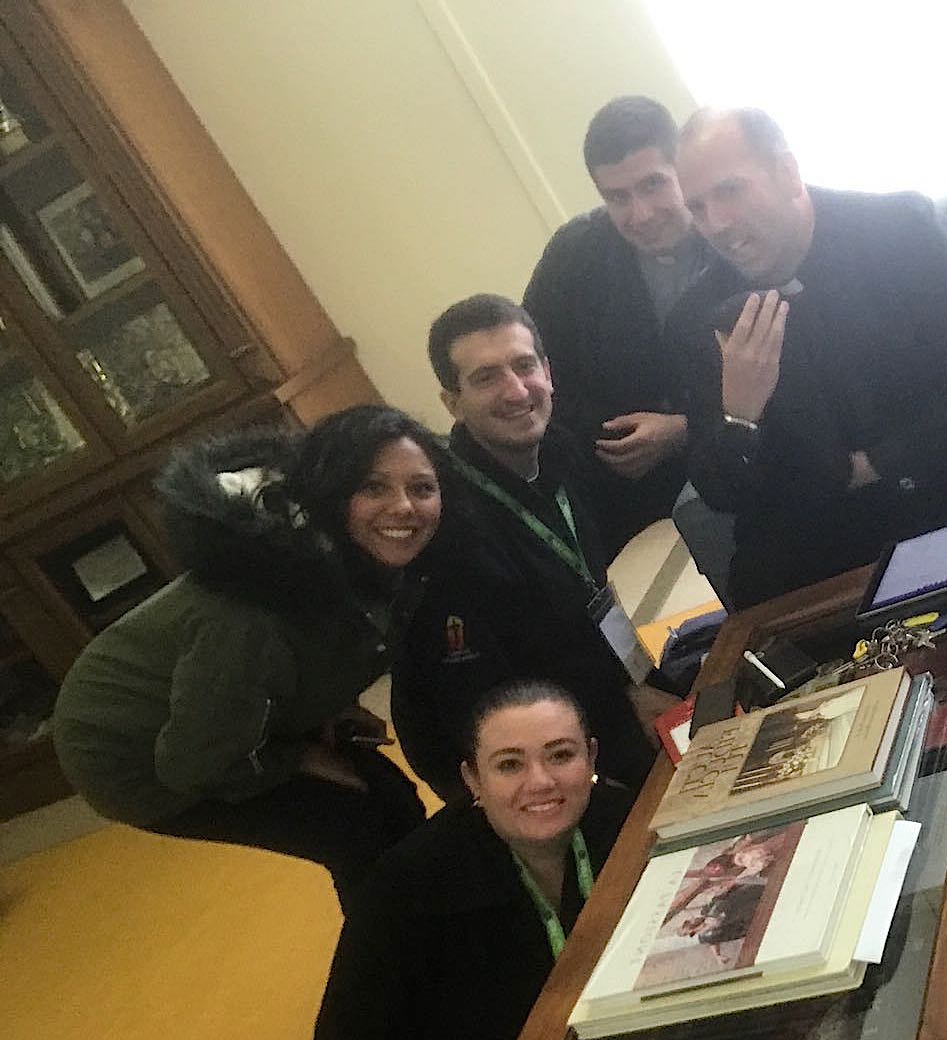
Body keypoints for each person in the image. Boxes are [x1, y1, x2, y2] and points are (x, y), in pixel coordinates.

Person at [667, 107, 947, 607]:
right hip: (833, 510)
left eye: (730, 191)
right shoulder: (697, 318)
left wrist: (877, 464)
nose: (716, 224)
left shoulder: (902, 228)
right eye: (698, 208)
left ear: (787, 173)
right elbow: (722, 492)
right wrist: (740, 415)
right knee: (756, 586)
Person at [50, 406, 441, 908]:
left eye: (422, 487)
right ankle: (404, 950)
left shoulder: (354, 559)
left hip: (223, 711)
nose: (403, 507)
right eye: (373, 488)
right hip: (140, 759)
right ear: (331, 497)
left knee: (394, 800)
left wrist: (327, 709)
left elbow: (321, 653)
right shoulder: (250, 614)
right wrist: (298, 756)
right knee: (356, 828)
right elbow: (192, 763)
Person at [302, 680, 629, 1040]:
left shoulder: (620, 821)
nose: (540, 782)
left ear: (590, 756)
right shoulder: (404, 892)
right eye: (509, 765)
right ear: (472, 779)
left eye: (560, 755)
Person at [391, 293, 667, 806]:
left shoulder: (560, 451)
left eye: (524, 366)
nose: (516, 391)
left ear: (548, 372)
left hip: (600, 687)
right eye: (486, 377)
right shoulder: (449, 528)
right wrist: (622, 711)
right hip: (521, 759)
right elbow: (488, 710)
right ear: (452, 403)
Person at [521, 95, 707, 554]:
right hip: (620, 498)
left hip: (736, 469)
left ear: (683, 169)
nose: (640, 214)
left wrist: (685, 428)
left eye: (653, 185)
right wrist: (609, 440)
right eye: (618, 197)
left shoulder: (732, 234)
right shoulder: (573, 255)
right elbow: (538, 373)